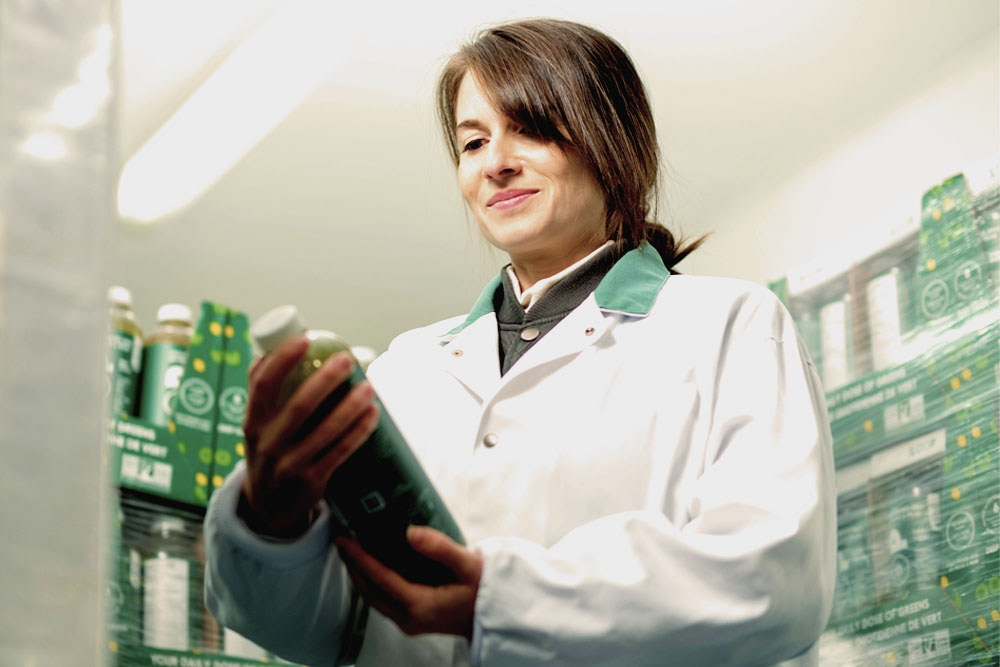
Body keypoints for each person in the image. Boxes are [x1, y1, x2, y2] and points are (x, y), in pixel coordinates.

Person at [204, 18, 837, 666]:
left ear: (614, 142)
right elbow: (325, 630)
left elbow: (773, 581)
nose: (496, 164)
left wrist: (502, 599)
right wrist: (273, 524)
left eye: (530, 128)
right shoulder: (404, 372)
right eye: (473, 142)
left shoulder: (729, 326)